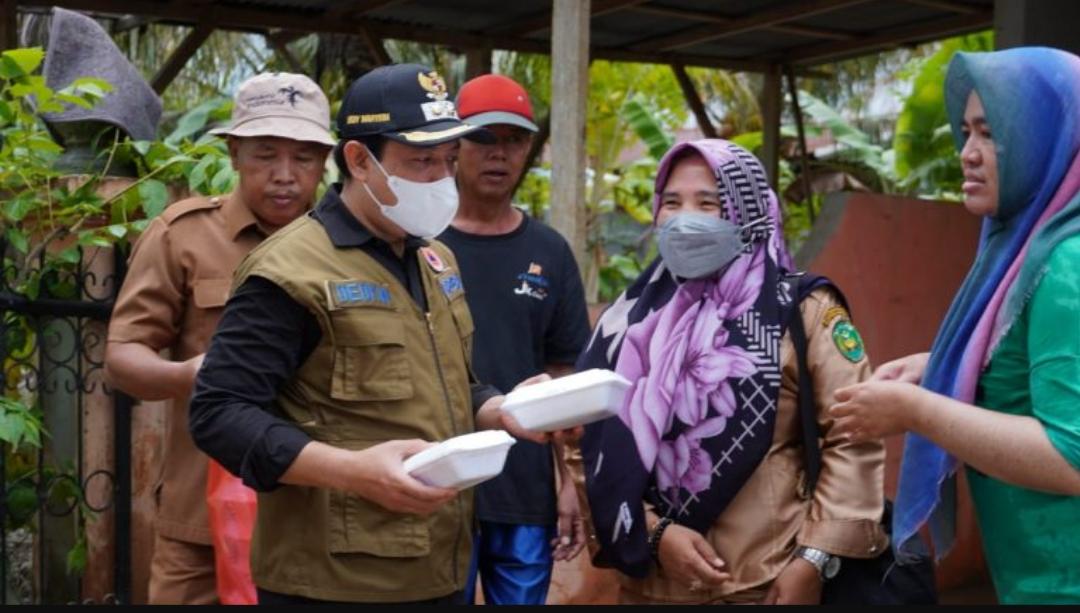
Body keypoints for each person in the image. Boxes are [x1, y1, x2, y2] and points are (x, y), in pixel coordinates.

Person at [188, 63, 551, 605]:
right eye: (422, 161)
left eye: (449, 161)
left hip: (440, 566)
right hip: (334, 582)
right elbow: (218, 413)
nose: (441, 179)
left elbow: (449, 386)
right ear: (359, 160)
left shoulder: (434, 258)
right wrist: (353, 471)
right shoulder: (292, 269)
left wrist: (500, 409)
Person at [566, 139, 888, 604]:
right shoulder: (630, 322)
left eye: (708, 203)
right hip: (652, 586)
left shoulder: (802, 311)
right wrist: (654, 533)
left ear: (747, 211)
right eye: (671, 202)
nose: (684, 218)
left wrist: (814, 559)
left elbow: (854, 433)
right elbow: (589, 439)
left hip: (767, 581)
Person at [829, 47, 1080, 605]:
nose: (968, 153)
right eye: (965, 132)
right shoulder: (1019, 247)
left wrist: (920, 411)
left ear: (1049, 140)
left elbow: (1071, 455)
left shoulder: (1067, 262)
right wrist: (941, 368)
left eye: (991, 134)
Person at [104, 72, 334, 604]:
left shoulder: (349, 249)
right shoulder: (182, 236)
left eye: (303, 158)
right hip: (202, 520)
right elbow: (122, 357)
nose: (284, 175)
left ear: (325, 161)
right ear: (233, 153)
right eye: (264, 155)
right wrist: (187, 374)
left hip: (321, 518)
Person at [441, 74, 592, 605]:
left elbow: (567, 373)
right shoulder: (417, 244)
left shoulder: (549, 251)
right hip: (436, 480)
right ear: (453, 145)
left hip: (522, 486)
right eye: (483, 138)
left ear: (529, 147)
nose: (498, 154)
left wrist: (570, 481)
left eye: (514, 140)